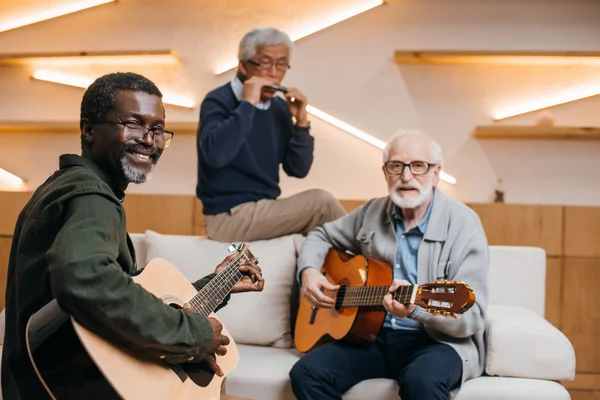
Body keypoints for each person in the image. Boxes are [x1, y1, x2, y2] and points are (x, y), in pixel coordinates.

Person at [1, 72, 264, 399]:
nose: (149, 140)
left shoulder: (68, 188)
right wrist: (192, 334)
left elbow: (125, 302)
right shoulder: (91, 198)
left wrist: (217, 284)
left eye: (157, 129)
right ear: (88, 130)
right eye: (134, 124)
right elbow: (87, 278)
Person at [290, 131, 489, 400]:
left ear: (437, 173)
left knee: (422, 381)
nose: (406, 177)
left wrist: (417, 309)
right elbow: (320, 235)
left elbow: (472, 316)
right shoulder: (372, 212)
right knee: (306, 373)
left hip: (436, 343)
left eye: (418, 166)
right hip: (372, 338)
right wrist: (310, 272)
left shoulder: (464, 224)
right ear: (385, 172)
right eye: (396, 166)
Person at [196, 27, 346, 242]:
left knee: (320, 239)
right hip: (226, 216)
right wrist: (248, 104)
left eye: (281, 64)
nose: (274, 73)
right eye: (265, 63)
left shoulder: (278, 108)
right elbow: (217, 155)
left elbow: (298, 169)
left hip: (266, 209)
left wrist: (301, 123)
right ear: (243, 66)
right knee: (321, 203)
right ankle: (374, 266)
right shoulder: (218, 100)